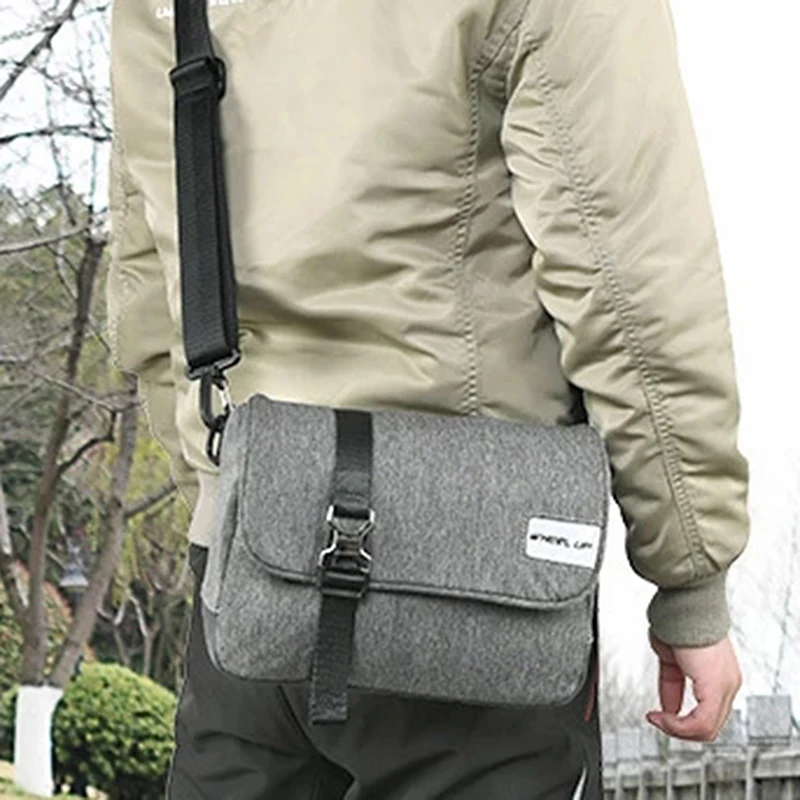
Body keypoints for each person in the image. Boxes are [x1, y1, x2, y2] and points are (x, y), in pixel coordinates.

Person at [105, 0, 749, 796]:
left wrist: (226, 498)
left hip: (245, 575)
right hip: (481, 584)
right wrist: (689, 574)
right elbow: (626, 275)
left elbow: (148, 277)